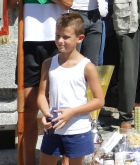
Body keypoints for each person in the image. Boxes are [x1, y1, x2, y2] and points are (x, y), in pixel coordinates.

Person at [7, 0, 78, 165]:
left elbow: (67, 1)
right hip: (30, 46)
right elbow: (10, 1)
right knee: (27, 113)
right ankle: (27, 161)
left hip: (59, 47)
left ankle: (67, 161)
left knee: (62, 108)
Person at [37, 13, 105, 165]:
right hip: (53, 128)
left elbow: (99, 100)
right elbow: (41, 95)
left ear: (80, 38)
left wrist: (72, 112)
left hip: (77, 129)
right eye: (57, 36)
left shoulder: (87, 67)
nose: (60, 41)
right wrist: (46, 113)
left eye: (66, 37)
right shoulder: (48, 64)